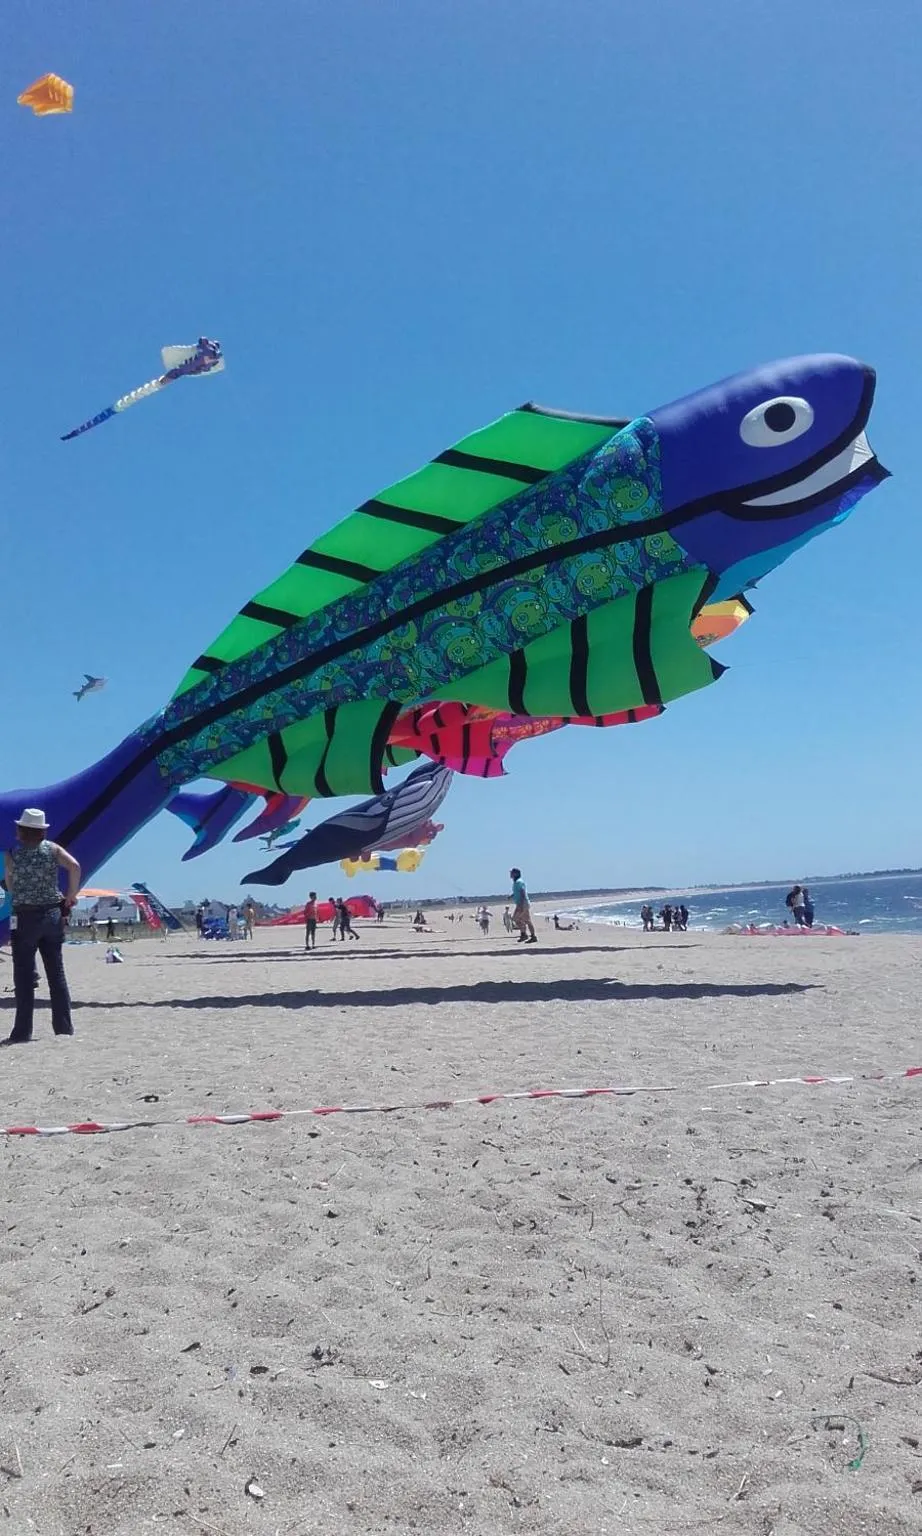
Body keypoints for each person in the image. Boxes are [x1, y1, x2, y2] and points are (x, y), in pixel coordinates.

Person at [1, 808, 80, 1046]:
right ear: (42, 830)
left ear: (21, 831)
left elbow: (10, 882)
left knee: (24, 976)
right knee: (56, 973)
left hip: (25, 916)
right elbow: (74, 866)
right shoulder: (53, 849)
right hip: (52, 914)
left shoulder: (13, 853)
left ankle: (22, 1031)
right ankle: (63, 1028)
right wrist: (71, 895)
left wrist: (20, 891)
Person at [510, 867, 537, 944]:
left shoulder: (519, 882)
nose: (510, 874)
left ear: (515, 874)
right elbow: (517, 892)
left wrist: (521, 904)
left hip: (523, 903)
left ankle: (532, 936)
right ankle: (524, 934)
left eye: (512, 873)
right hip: (520, 903)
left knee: (525, 920)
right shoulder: (516, 882)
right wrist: (512, 896)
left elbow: (522, 892)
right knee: (518, 919)